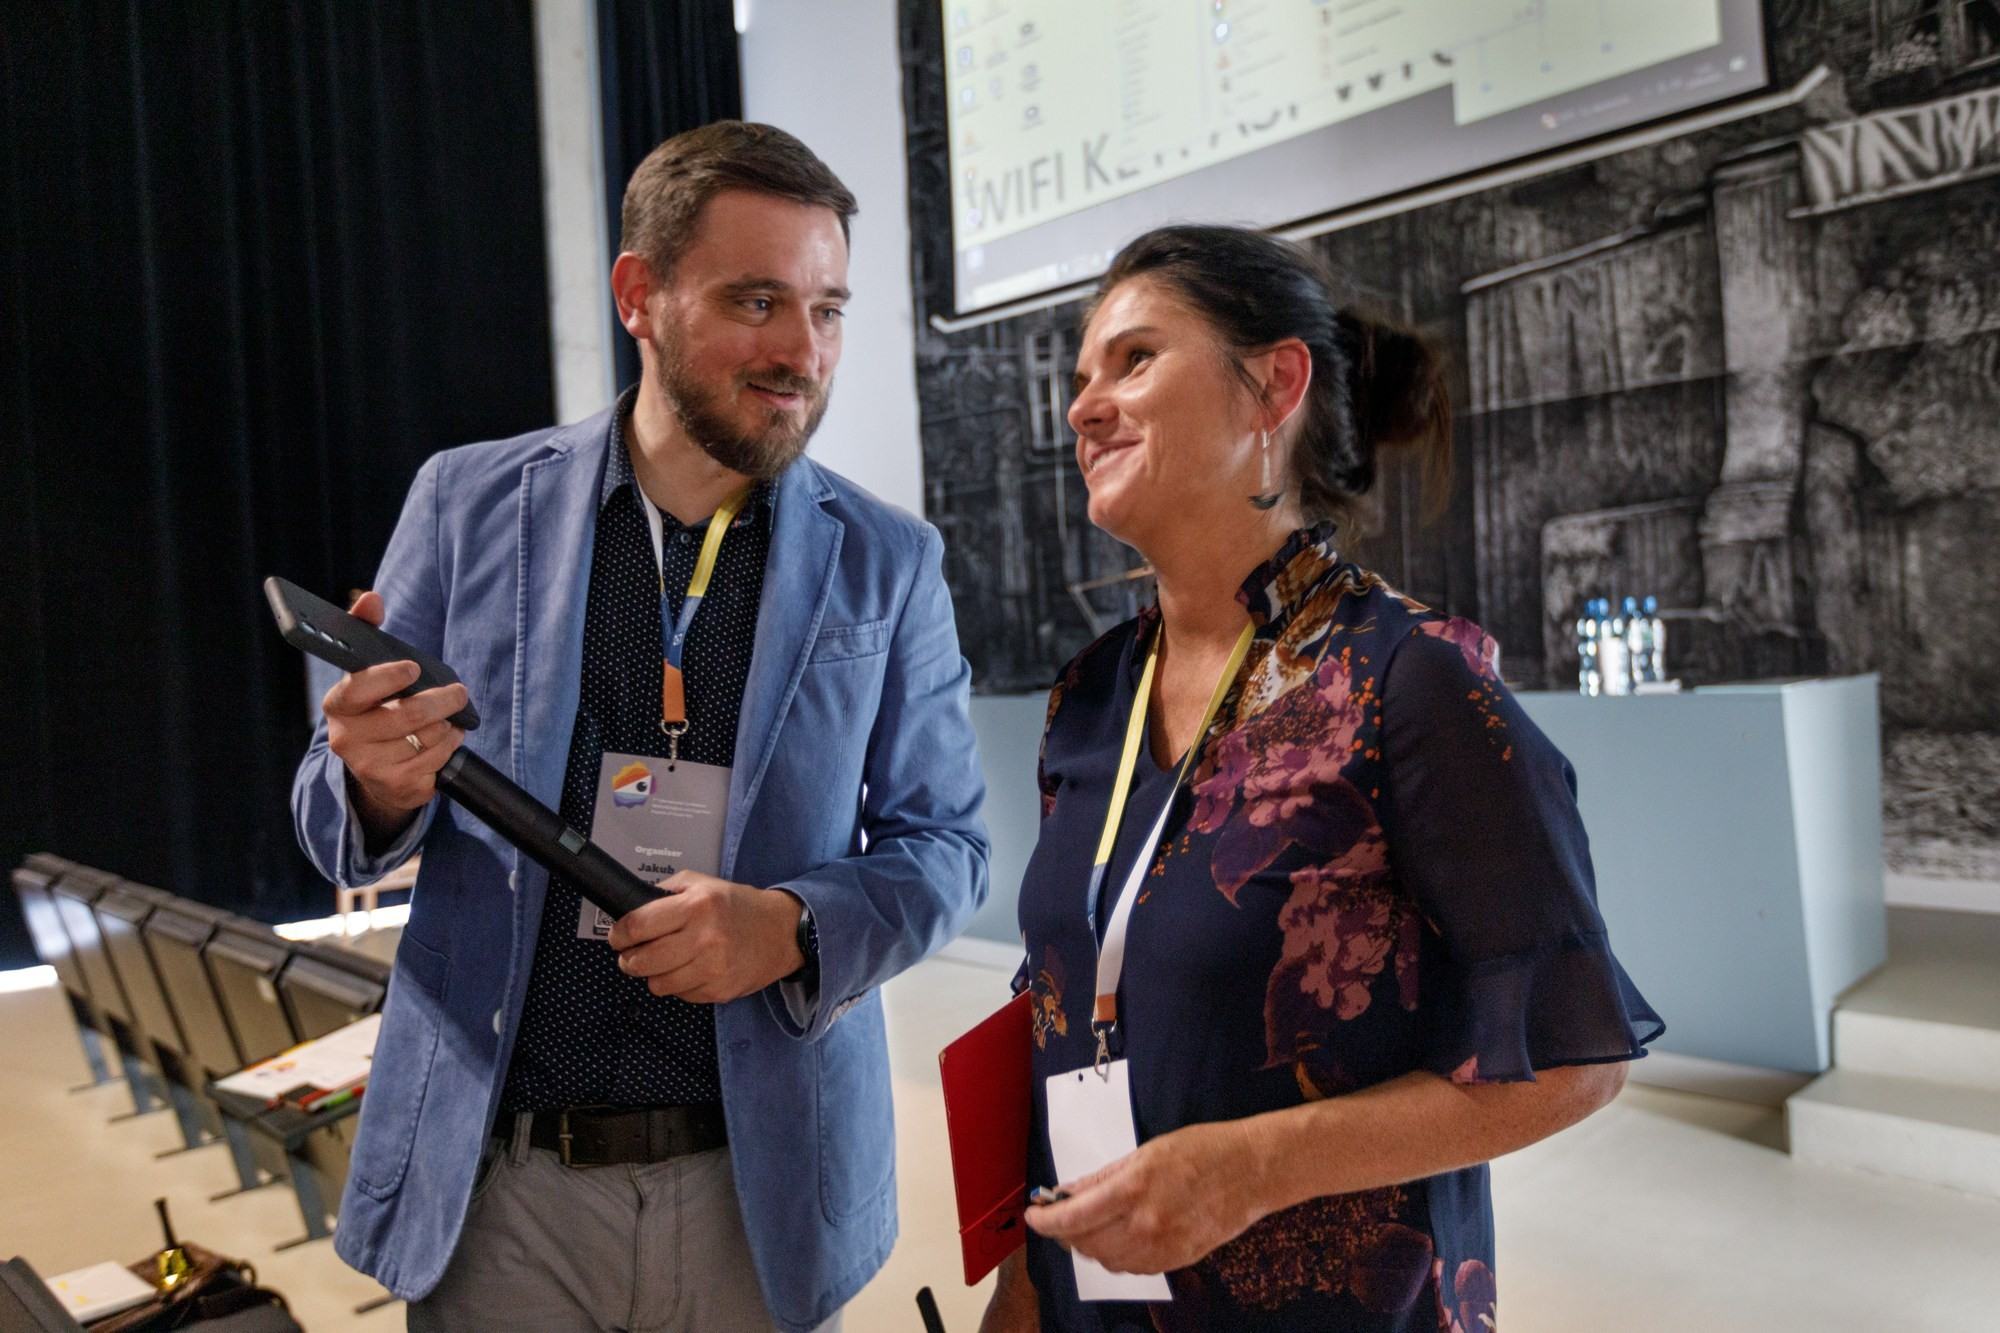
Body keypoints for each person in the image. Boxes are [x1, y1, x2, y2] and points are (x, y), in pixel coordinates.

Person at [291, 121, 989, 1333]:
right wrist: (376, 781)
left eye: (826, 309)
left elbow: (948, 848)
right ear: (638, 296)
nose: (800, 350)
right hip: (501, 1188)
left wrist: (791, 927)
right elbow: (328, 807)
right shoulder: (465, 503)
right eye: (756, 301)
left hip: (759, 1191)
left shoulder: (887, 560)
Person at [980, 225, 1662, 1332]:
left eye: (1134, 360)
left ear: (1275, 385)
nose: (1083, 407)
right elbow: (1064, 999)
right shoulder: (1090, 696)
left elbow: (1573, 1059)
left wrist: (1250, 1169)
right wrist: (1021, 1280)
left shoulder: (1412, 678)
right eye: (1081, 377)